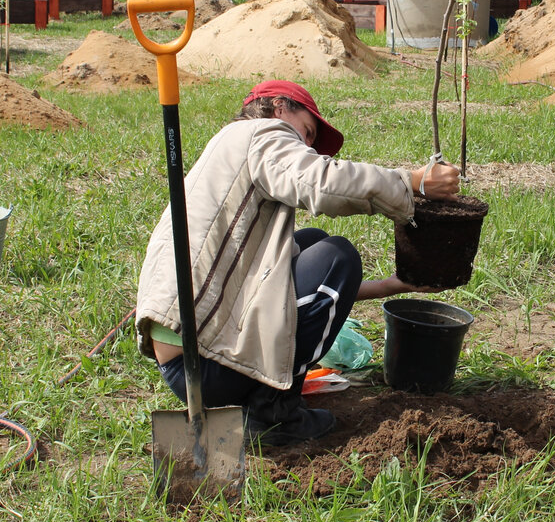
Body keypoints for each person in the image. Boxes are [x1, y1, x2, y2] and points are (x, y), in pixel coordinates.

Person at [135, 79, 460, 446]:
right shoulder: (261, 133)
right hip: (207, 363)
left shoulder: (229, 148)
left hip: (192, 356)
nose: (306, 146)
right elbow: (320, 181)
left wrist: (392, 286)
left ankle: (260, 398)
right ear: (278, 107)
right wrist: (410, 183)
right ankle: (272, 413)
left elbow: (282, 291)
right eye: (306, 132)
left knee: (311, 243)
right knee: (338, 256)